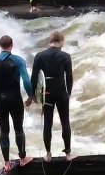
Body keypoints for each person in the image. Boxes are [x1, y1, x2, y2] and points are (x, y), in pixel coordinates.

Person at [0, 35, 34, 171]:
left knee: (4, 131)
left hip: (0, 101)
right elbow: (26, 81)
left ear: (0, 45)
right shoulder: (18, 61)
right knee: (19, 129)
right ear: (12, 45)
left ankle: (6, 163)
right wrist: (31, 96)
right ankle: (23, 159)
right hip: (15, 100)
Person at [30, 31, 76, 162]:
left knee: (47, 124)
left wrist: (33, 94)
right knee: (65, 122)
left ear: (50, 41)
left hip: (47, 93)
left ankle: (48, 154)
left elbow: (34, 77)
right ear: (61, 41)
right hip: (61, 92)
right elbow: (69, 77)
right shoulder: (65, 56)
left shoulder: (39, 56)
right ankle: (68, 154)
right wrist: (69, 93)